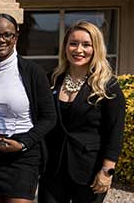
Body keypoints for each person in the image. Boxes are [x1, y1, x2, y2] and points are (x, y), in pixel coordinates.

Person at [0, 13, 56, 203]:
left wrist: (24, 143)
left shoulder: (33, 72)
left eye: (7, 35)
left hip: (23, 156)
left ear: (15, 37)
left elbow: (49, 117)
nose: (1, 40)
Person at [38, 21, 125, 203]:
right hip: (53, 170)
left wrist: (106, 171)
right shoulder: (52, 79)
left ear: (96, 48)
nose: (79, 50)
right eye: (73, 43)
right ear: (65, 47)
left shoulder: (108, 86)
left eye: (86, 44)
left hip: (90, 171)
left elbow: (115, 132)